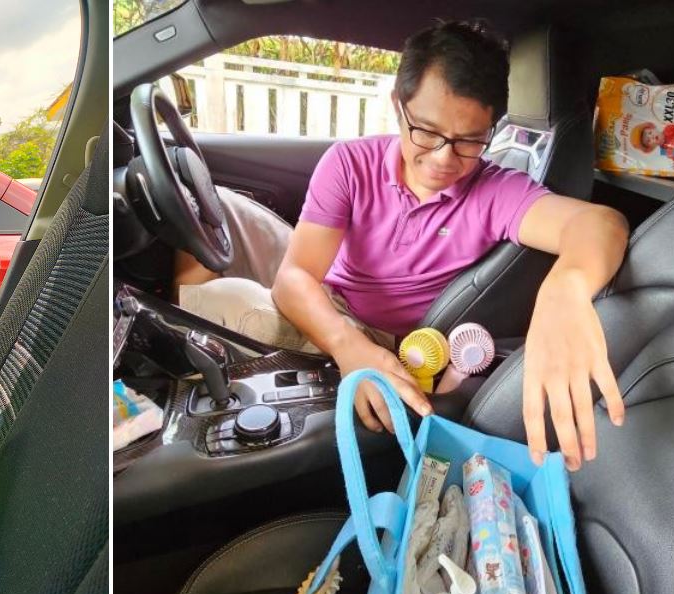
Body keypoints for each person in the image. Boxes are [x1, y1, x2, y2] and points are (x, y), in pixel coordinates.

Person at [178, 20, 628, 473]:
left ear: (491, 127)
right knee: (207, 199)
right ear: (399, 106)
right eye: (426, 132)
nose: (442, 159)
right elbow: (295, 277)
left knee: (223, 299)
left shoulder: (496, 191)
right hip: (333, 303)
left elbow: (601, 223)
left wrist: (564, 292)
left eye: (469, 140)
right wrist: (343, 344)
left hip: (386, 336)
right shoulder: (349, 163)